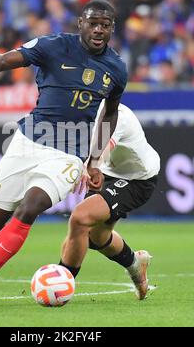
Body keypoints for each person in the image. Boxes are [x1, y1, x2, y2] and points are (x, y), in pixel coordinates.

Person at [0, 0, 128, 308]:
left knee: (29, 208)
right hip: (28, 142)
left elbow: (109, 114)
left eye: (105, 25)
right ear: (81, 24)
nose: (99, 29)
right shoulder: (52, 46)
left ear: (112, 28)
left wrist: (95, 160)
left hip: (69, 153)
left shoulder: (116, 68)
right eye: (93, 23)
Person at [60, 103, 160, 300]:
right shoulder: (77, 110)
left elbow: (103, 150)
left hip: (138, 179)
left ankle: (60, 283)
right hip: (105, 172)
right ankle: (135, 264)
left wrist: (89, 168)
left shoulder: (116, 115)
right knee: (96, 237)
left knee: (80, 218)